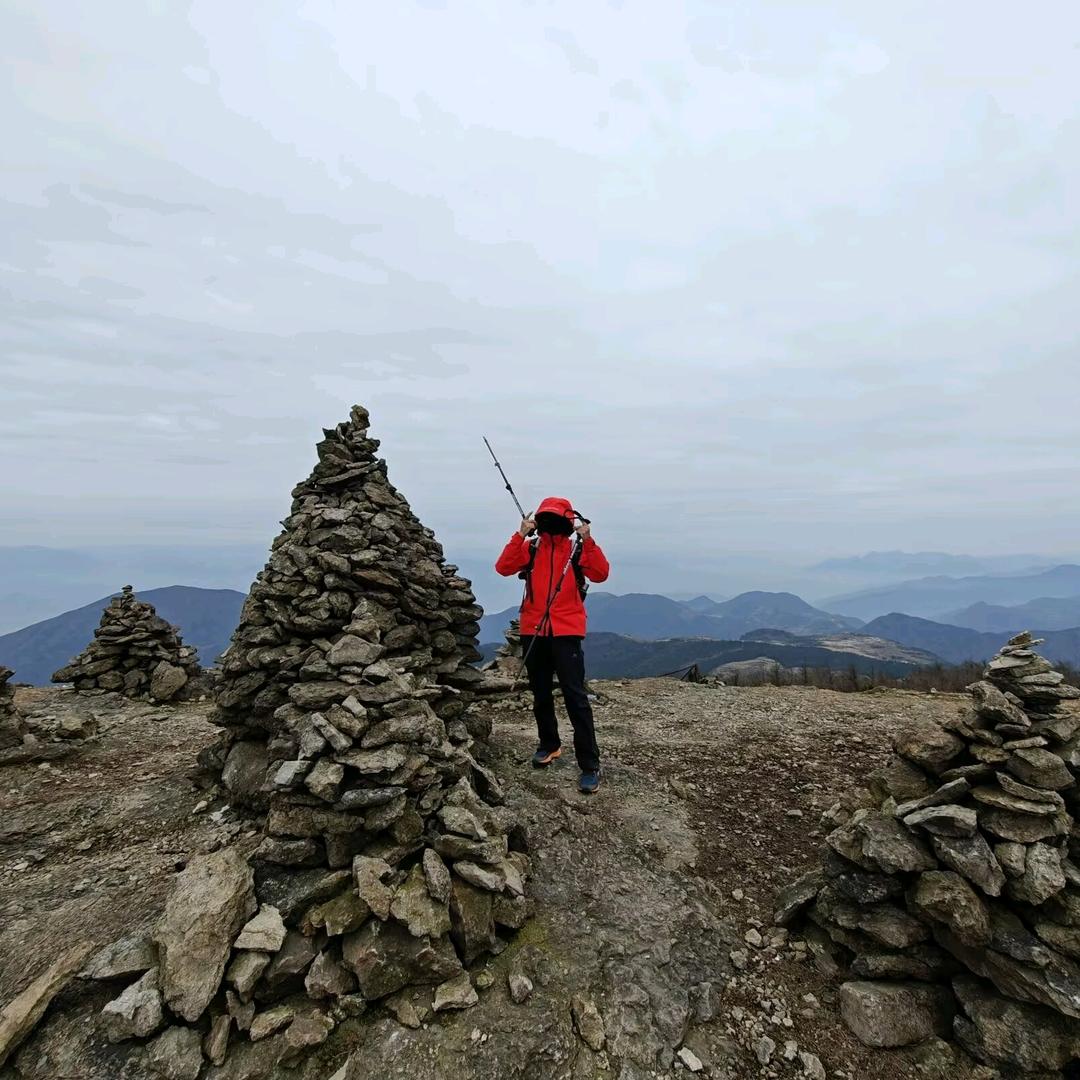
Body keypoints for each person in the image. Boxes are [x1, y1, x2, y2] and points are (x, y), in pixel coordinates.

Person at [495, 496, 610, 793]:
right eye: (547, 520)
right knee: (541, 693)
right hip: (533, 629)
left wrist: (588, 540)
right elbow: (503, 567)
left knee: (576, 697)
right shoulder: (532, 547)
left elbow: (601, 574)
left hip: (566, 631)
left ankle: (590, 764)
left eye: (555, 520)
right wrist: (520, 534)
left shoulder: (577, 549)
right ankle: (549, 745)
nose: (551, 526)